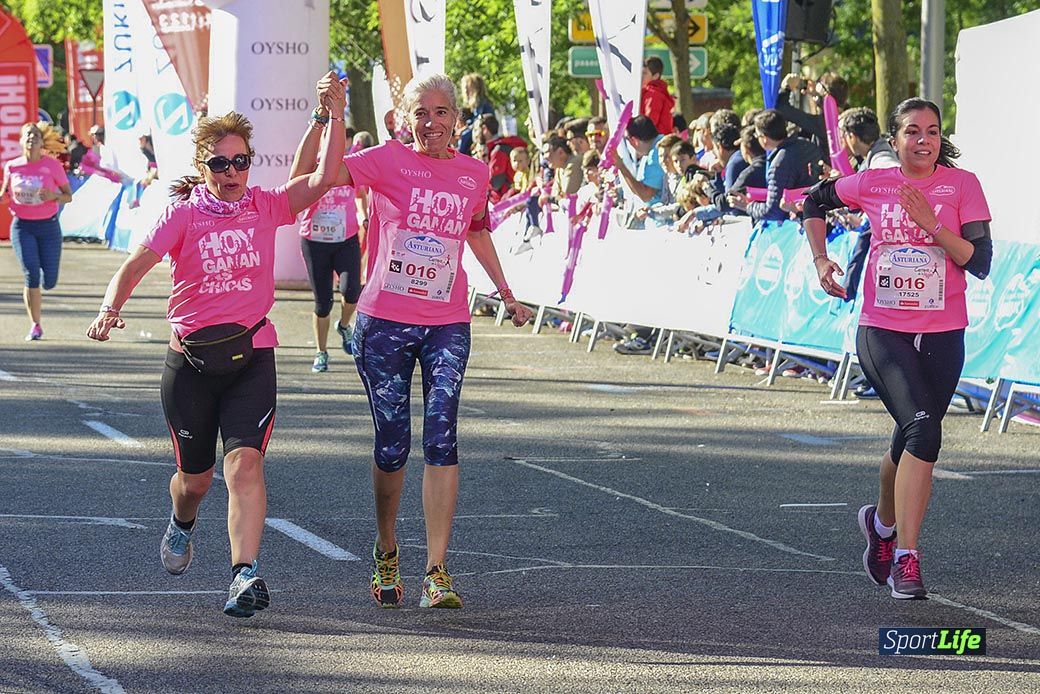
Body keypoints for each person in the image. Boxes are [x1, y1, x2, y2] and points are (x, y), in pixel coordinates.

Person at [85, 72, 348, 618]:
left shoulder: (266, 205)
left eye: (241, 161)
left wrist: (331, 111)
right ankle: (182, 522)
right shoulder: (181, 213)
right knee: (195, 481)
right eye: (221, 164)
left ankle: (243, 574)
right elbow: (136, 263)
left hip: (253, 353)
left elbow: (322, 177)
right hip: (191, 363)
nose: (232, 173)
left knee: (244, 467)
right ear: (203, 166)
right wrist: (111, 307)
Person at [318, 72, 534, 609]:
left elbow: (477, 230)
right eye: (421, 112)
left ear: (456, 119)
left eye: (441, 112)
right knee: (393, 446)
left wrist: (506, 292)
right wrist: (331, 116)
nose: (431, 123)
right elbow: (324, 175)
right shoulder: (386, 160)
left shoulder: (474, 173)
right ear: (403, 119)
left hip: (447, 322)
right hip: (384, 322)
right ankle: (387, 546)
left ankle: (436, 571)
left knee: (442, 433)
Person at [803, 98, 993, 600]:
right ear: (894, 139)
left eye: (932, 131)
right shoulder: (873, 182)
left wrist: (932, 223)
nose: (923, 140)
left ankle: (882, 527)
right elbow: (813, 202)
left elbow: (980, 263)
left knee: (912, 432)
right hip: (882, 327)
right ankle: (907, 558)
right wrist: (822, 259)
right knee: (923, 429)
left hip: (943, 331)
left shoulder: (962, 185)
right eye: (912, 131)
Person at [290, 106, 366, 373]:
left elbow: (362, 191)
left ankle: (344, 326)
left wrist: (365, 214)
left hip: (345, 238)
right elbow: (295, 184)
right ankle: (321, 352)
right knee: (323, 302)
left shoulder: (351, 162)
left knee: (351, 291)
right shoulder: (313, 164)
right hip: (315, 241)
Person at [1, 123, 73, 341]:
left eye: (36, 135)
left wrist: (53, 196)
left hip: (48, 226)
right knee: (31, 274)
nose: (32, 138)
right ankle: (35, 325)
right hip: (22, 226)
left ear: (42, 143)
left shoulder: (51, 166)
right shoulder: (12, 166)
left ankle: (44, 281)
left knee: (49, 281)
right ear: (22, 141)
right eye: (28, 135)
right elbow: (5, 194)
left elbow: (68, 195)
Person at [727, 110, 818, 223]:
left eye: (757, 135)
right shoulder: (805, 144)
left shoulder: (779, 164)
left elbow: (774, 211)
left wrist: (747, 206)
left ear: (764, 139)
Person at [478, 113, 526, 201]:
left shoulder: (499, 150)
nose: (476, 134)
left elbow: (495, 183)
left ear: (484, 128)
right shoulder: (502, 145)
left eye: (477, 129)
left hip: (505, 200)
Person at [458, 73, 495, 156]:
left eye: (468, 88)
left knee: (465, 135)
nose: (465, 91)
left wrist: (467, 128)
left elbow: (481, 121)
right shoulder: (476, 105)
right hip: (477, 129)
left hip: (483, 131)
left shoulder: (483, 104)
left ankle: (461, 157)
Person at [640, 56, 675, 136]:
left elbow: (649, 123)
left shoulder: (653, 94)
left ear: (655, 76)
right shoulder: (657, 92)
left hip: (653, 141)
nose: (641, 76)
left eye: (645, 73)